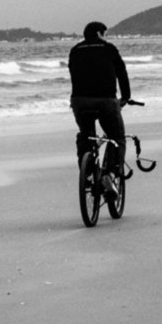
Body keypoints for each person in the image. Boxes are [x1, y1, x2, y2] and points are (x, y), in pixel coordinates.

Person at [68, 21, 131, 200]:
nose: (106, 37)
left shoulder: (75, 50)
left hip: (79, 101)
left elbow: (73, 73)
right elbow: (122, 73)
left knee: (85, 135)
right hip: (106, 101)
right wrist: (125, 96)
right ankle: (109, 175)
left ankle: (87, 170)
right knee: (116, 137)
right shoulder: (109, 49)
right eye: (105, 33)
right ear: (99, 33)